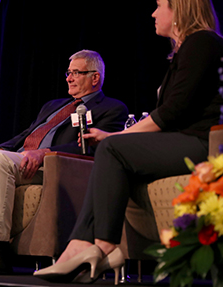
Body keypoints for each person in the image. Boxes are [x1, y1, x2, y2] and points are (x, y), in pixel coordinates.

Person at [33, 0, 223, 284]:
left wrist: (114, 137)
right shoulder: (189, 48)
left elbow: (171, 114)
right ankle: (92, 247)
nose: (153, 13)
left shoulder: (202, 42)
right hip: (184, 140)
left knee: (112, 149)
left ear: (179, 9)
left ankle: (97, 247)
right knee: (113, 153)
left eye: (159, 5)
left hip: (202, 144)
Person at [0, 50, 129, 274]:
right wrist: (0, 148)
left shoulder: (112, 108)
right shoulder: (54, 105)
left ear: (95, 77)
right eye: (68, 72)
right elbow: (26, 134)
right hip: (18, 160)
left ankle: (0, 249)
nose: (69, 78)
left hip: (53, 166)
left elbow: (91, 147)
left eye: (76, 73)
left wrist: (44, 152)